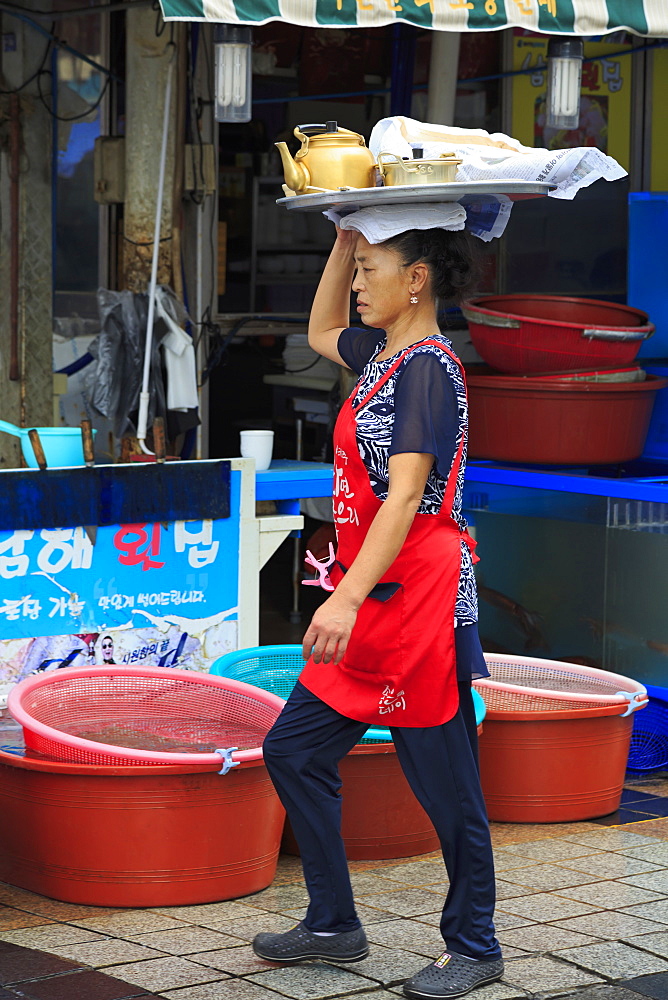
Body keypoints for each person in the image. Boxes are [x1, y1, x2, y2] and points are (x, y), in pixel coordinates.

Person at [253, 225, 503, 999]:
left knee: (446, 785)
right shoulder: (382, 356)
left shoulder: (427, 370)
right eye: (357, 270)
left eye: (371, 270)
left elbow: (404, 497)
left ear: (417, 279)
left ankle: (475, 944)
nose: (359, 284)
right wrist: (342, 242)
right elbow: (322, 331)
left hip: (418, 600)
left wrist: (348, 597)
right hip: (373, 592)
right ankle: (333, 924)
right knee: (294, 749)